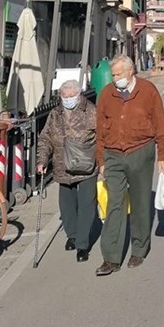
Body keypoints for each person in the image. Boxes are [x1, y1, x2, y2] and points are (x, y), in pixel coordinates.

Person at [95, 55, 164, 276]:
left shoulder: (148, 91)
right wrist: (101, 160)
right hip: (113, 154)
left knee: (140, 203)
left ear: (130, 71)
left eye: (118, 74)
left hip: (140, 151)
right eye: (113, 74)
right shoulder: (106, 94)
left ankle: (139, 248)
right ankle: (111, 257)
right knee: (114, 205)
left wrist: (163, 155)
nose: (115, 78)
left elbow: (160, 124)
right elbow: (100, 130)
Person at [36, 80, 97, 263]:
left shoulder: (91, 111)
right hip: (62, 165)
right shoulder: (55, 114)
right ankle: (72, 234)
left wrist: (103, 162)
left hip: (86, 165)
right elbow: (45, 138)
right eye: (65, 96)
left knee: (87, 205)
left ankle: (82, 244)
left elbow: (102, 136)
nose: (68, 99)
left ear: (79, 95)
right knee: (67, 205)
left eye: (71, 96)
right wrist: (42, 160)